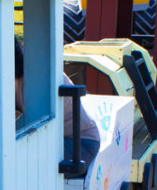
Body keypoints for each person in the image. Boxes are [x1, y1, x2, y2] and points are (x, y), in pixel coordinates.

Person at [13, 39, 101, 170]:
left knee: (16, 160)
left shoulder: (33, 81)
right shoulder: (24, 75)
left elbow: (28, 127)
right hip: (61, 138)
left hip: (79, 143)